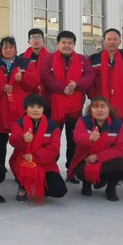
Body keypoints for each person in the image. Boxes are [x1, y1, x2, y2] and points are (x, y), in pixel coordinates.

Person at [40, 30, 95, 177]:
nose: (67, 45)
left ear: (74, 44)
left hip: (75, 108)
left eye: (70, 43)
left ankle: (72, 169)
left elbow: (89, 76)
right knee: (52, 140)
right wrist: (63, 89)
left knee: (73, 140)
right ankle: (51, 170)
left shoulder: (83, 60)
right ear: (57, 44)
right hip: (54, 107)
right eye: (63, 42)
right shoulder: (49, 59)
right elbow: (46, 76)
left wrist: (76, 85)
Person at [0, 36, 37, 173]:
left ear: (15, 49)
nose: (8, 50)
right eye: (5, 47)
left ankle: (20, 168)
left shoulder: (25, 63)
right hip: (0, 109)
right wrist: (1, 88)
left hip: (19, 108)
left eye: (11, 47)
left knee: (21, 141)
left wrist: (22, 79)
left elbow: (34, 81)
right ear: (1, 50)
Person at [68, 97, 123, 201]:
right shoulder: (83, 121)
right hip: (86, 159)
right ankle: (86, 184)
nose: (99, 110)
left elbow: (121, 148)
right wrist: (89, 138)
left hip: (106, 161)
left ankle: (111, 188)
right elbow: (77, 136)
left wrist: (98, 157)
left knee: (120, 164)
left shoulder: (119, 125)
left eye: (103, 106)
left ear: (109, 108)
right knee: (81, 170)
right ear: (90, 109)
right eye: (95, 107)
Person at [8, 94, 67, 203]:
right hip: (23, 160)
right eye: (32, 107)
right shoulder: (18, 124)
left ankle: (40, 186)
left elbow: (53, 149)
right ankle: (23, 186)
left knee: (59, 190)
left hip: (45, 163)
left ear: (43, 109)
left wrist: (34, 157)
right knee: (25, 166)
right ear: (26, 108)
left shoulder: (52, 126)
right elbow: (13, 140)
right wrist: (22, 138)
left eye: (39, 107)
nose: (35, 110)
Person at [88, 28, 123, 126]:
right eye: (109, 39)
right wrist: (94, 96)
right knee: (99, 131)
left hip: (122, 104)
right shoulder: (94, 60)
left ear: (120, 41)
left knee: (121, 130)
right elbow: (89, 81)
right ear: (104, 41)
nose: (112, 42)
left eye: (115, 39)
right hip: (100, 104)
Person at [21, 28, 50, 107]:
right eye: (33, 38)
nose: (36, 40)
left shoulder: (50, 58)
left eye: (39, 38)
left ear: (44, 40)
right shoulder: (22, 58)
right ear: (28, 41)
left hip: (46, 94)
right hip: (28, 94)